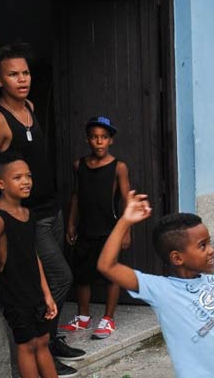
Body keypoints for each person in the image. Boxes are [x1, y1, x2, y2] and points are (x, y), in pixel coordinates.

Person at [0, 42, 84, 377]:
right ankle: (43, 342)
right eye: (12, 74)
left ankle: (51, 339)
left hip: (52, 208)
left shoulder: (30, 106)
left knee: (55, 280)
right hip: (29, 218)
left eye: (25, 72)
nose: (21, 79)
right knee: (60, 278)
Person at [97, 192, 214, 378]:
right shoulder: (161, 290)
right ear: (177, 257)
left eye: (210, 242)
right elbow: (107, 266)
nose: (211, 250)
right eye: (203, 245)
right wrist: (125, 222)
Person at [0, 151, 58, 378]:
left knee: (43, 342)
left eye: (28, 176)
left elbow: (33, 255)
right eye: (17, 177)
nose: (26, 181)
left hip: (35, 292)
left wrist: (47, 294)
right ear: (0, 183)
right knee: (27, 345)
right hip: (16, 297)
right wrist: (4, 278)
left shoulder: (28, 213)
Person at [59, 116, 131, 339]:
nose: (99, 142)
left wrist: (127, 229)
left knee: (112, 275)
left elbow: (127, 199)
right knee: (82, 275)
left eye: (104, 138)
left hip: (110, 230)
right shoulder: (79, 165)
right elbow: (76, 197)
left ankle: (108, 318)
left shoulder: (118, 167)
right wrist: (71, 224)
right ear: (88, 140)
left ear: (111, 141)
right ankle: (83, 317)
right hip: (86, 229)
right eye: (94, 138)